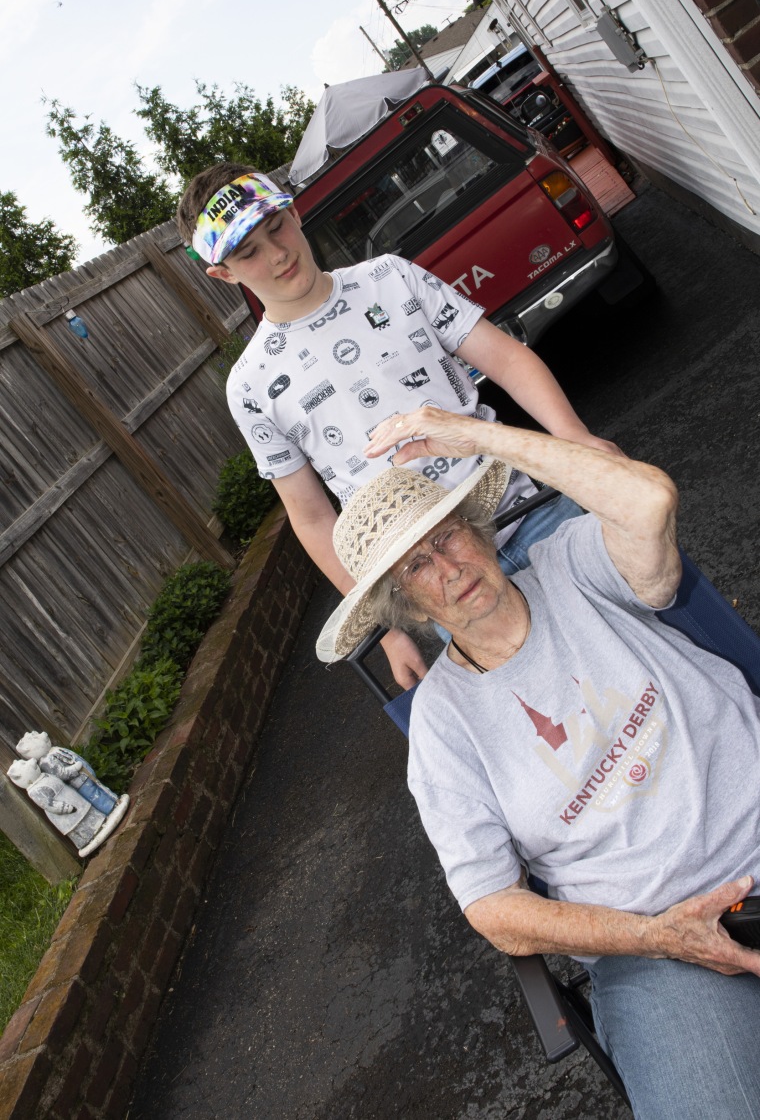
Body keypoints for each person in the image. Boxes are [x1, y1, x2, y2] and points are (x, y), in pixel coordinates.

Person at [315, 405, 760, 1120]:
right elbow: (494, 907)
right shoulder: (442, 726)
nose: (450, 567)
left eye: (450, 535)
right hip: (661, 950)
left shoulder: (575, 564)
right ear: (406, 604)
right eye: (418, 565)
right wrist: (658, 936)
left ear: (479, 531)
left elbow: (648, 500)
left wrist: (479, 438)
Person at [176, 164, 619, 688]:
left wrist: (576, 441)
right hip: (438, 583)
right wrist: (383, 630)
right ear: (223, 272)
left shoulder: (390, 277)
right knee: (565, 712)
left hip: (531, 512)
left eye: (277, 227)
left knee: (641, 637)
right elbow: (313, 517)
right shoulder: (249, 386)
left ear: (295, 211)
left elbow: (507, 359)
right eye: (247, 251)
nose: (276, 254)